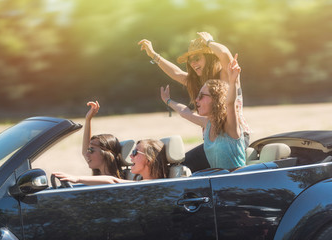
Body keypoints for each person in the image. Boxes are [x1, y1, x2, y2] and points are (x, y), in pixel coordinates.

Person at [139, 32, 250, 171]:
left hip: (233, 136)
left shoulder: (227, 76)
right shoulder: (201, 84)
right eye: (190, 60)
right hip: (213, 137)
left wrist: (209, 42)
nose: (192, 63)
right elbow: (177, 74)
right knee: (180, 168)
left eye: (197, 58)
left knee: (189, 168)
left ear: (210, 58)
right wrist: (154, 55)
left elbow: (224, 55)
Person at [160, 54, 246, 170]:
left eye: (201, 96)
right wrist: (168, 100)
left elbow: (230, 103)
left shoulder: (230, 125)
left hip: (236, 183)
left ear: (216, 99)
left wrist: (233, 80)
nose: (196, 100)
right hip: (218, 182)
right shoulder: (207, 123)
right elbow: (185, 112)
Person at [52, 139, 169, 185]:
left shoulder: (154, 185)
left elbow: (113, 181)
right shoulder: (143, 182)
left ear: (149, 159)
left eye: (135, 153)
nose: (130, 156)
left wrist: (77, 179)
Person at [81, 101, 124, 178]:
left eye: (91, 150)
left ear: (106, 155)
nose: (87, 154)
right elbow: (85, 151)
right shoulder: (101, 175)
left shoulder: (113, 181)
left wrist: (76, 179)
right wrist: (88, 119)